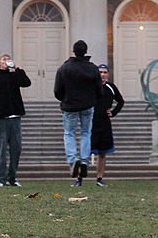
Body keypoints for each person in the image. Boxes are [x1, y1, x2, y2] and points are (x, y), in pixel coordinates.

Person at [53, 39, 102, 187]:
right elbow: (99, 90)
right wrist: (92, 99)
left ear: (74, 51)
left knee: (69, 133)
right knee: (86, 132)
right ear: (85, 51)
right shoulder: (92, 68)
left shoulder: (64, 68)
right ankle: (85, 160)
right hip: (87, 105)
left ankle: (73, 160)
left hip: (70, 106)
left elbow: (57, 91)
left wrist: (65, 99)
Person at [0, 53, 31, 187]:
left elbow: (26, 83)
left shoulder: (14, 77)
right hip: (1, 118)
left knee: (16, 149)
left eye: (8, 59)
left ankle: (12, 177)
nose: (7, 61)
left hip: (15, 117)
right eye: (4, 59)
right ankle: (1, 178)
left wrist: (18, 69)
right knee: (1, 149)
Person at [91, 64, 125, 187]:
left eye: (105, 72)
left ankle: (99, 178)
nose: (103, 75)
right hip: (91, 122)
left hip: (105, 123)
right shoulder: (92, 87)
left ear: (108, 74)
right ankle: (79, 178)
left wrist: (113, 112)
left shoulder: (111, 87)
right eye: (100, 72)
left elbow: (121, 101)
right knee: (86, 152)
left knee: (102, 153)